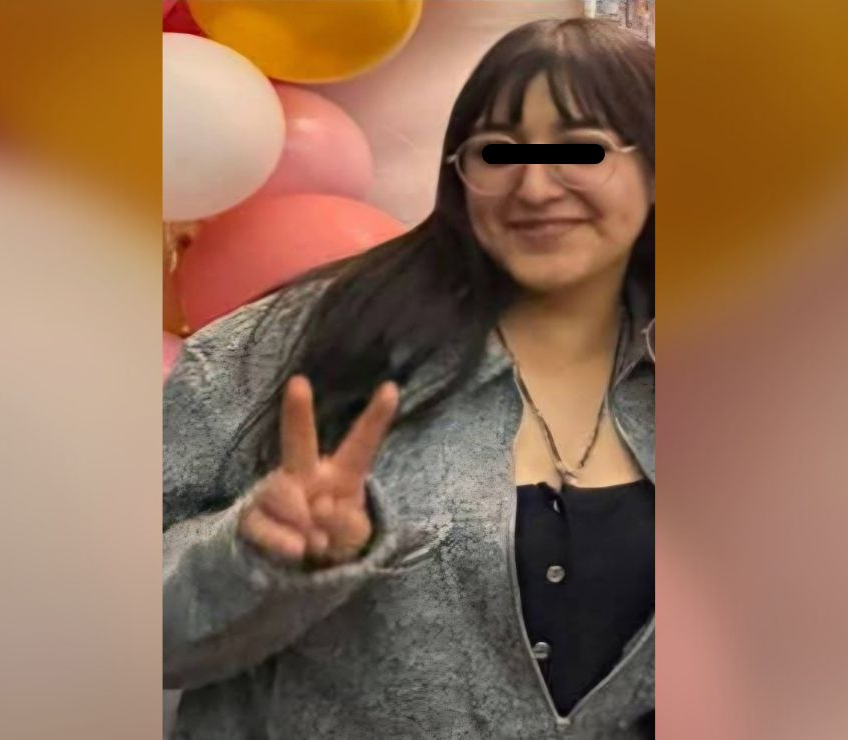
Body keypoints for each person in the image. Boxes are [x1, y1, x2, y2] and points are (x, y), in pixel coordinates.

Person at [164, 17, 654, 739]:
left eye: (581, 150)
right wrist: (252, 557)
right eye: (497, 152)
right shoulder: (311, 338)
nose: (534, 187)